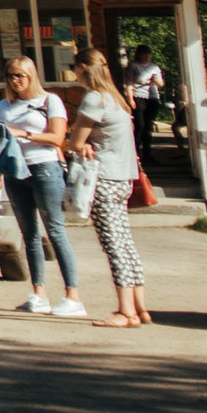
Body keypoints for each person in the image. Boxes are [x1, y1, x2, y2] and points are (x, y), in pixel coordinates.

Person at [0, 57, 86, 317]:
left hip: (44, 167)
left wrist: (23, 134)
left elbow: (58, 138)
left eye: (20, 75)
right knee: (29, 234)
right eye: (10, 75)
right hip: (15, 169)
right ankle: (39, 294)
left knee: (55, 231)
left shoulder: (49, 101)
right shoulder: (4, 105)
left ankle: (73, 296)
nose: (15, 80)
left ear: (31, 75)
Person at [66, 50, 151, 328]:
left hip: (103, 178)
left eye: (74, 67)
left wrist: (81, 144)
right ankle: (140, 307)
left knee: (112, 244)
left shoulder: (94, 98)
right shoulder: (115, 98)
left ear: (82, 68)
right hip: (123, 177)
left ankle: (126, 312)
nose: (73, 73)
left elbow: (75, 142)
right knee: (125, 242)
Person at [125, 47, 167, 165]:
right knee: (140, 125)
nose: (147, 56)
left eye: (148, 54)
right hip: (139, 96)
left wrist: (156, 80)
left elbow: (161, 84)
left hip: (152, 97)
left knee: (148, 126)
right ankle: (136, 153)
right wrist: (130, 98)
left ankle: (147, 153)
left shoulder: (154, 67)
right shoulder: (133, 66)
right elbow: (129, 83)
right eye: (145, 54)